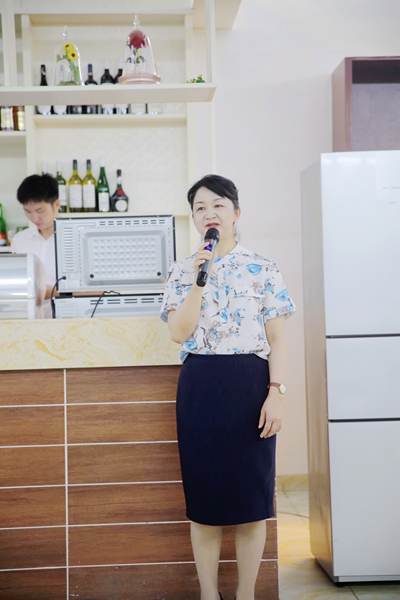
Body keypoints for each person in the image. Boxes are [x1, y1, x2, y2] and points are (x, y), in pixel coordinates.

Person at [160, 174, 296, 600]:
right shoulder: (183, 269)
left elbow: (278, 340)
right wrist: (199, 280)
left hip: (251, 388)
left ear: (236, 212)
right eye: (200, 207)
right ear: (194, 218)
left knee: (252, 503)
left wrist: (276, 392)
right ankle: (208, 594)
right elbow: (178, 333)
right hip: (200, 388)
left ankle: (245, 594)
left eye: (218, 205)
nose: (209, 213)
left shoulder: (264, 267)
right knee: (205, 503)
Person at [11, 174, 61, 318]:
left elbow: (94, 290)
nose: (34, 218)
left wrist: (52, 292)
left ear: (56, 204)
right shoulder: (20, 240)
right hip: (26, 321)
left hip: (66, 321)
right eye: (28, 211)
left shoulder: (73, 239)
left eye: (40, 211)